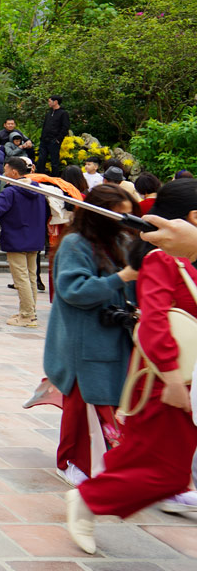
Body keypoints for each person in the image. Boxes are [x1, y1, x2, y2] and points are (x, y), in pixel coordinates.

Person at [65, 179, 197, 553]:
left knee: (156, 463)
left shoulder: (184, 257)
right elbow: (154, 322)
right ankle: (90, 500)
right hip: (167, 380)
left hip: (181, 379)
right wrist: (171, 377)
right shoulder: (161, 258)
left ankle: (93, 497)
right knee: (164, 469)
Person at [43, 184, 137, 489]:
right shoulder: (75, 244)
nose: (123, 221)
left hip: (112, 337)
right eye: (118, 215)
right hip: (82, 339)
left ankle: (100, 461)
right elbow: (73, 290)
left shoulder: (119, 241)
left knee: (107, 400)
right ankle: (69, 461)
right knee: (81, 405)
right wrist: (121, 278)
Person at [0, 156, 49, 327]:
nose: (4, 173)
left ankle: (28, 315)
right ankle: (29, 311)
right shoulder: (39, 190)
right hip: (34, 238)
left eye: (5, 170)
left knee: (21, 279)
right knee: (31, 277)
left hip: (17, 239)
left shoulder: (11, 191)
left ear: (13, 171)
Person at [41, 95, 70, 176]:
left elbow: (65, 127)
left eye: (50, 101)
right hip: (44, 140)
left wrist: (58, 139)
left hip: (54, 141)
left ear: (56, 102)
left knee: (54, 162)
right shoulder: (49, 113)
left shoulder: (63, 113)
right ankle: (39, 177)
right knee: (41, 160)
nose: (48, 103)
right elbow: (45, 125)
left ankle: (54, 179)